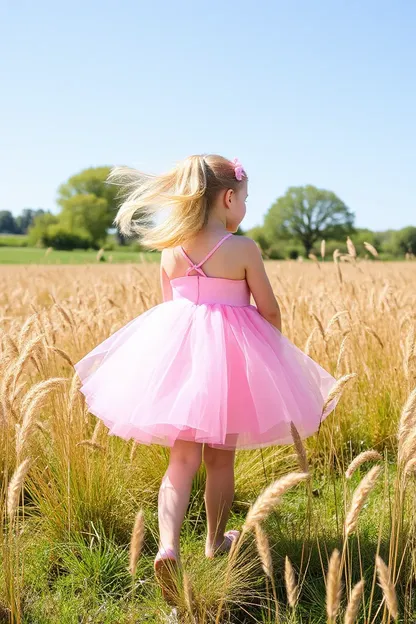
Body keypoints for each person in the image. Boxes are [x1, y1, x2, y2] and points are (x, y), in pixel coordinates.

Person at [73, 154, 339, 601]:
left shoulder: (171, 249)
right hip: (232, 365)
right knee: (221, 460)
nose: (246, 208)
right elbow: (268, 308)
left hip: (179, 365)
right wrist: (270, 354)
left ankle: (167, 545)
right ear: (228, 198)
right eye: (246, 199)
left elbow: (167, 311)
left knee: (180, 462)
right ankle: (215, 543)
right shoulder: (243, 248)